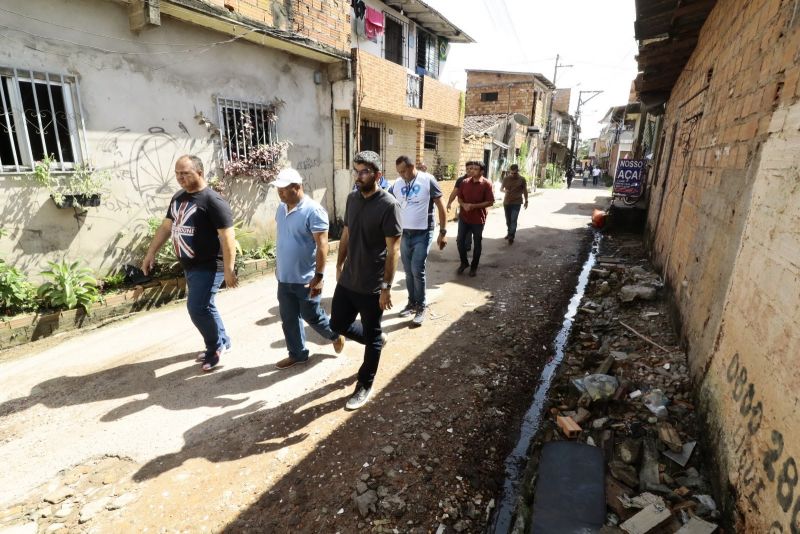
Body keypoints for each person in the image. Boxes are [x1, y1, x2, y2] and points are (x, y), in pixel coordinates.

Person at [142, 155, 237, 372]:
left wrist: (229, 269)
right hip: (190, 266)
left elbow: (228, 237)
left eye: (185, 173)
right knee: (207, 305)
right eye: (177, 173)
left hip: (210, 265)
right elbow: (166, 227)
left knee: (197, 308)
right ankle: (223, 340)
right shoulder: (178, 198)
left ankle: (214, 348)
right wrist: (150, 253)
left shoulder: (213, 201)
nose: (180, 178)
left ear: (200, 173)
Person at [331, 150, 402, 410]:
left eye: (364, 172)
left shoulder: (388, 204)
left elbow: (393, 248)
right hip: (349, 278)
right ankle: (377, 340)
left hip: (372, 285)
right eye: (356, 171)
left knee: (370, 334)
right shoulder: (352, 198)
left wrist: (386, 287)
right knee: (337, 323)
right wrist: (338, 263)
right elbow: (347, 232)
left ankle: (364, 384)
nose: (358, 176)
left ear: (377, 175)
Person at [271, 168, 346, 370]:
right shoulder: (281, 208)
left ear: (297, 187)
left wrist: (319, 276)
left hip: (307, 277)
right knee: (288, 318)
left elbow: (322, 245)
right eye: (278, 190)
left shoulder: (314, 210)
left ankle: (335, 334)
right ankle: (297, 354)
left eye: (284, 189)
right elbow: (284, 238)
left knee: (311, 315)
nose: (280, 193)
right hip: (285, 277)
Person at [390, 156, 447, 326]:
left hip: (423, 232)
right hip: (405, 233)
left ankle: (421, 306)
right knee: (408, 271)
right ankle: (412, 302)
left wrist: (443, 232)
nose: (401, 175)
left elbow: (441, 206)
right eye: (398, 172)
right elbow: (387, 201)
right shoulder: (398, 184)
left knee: (417, 269)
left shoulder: (428, 180)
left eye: (403, 171)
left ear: (412, 167)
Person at [456, 160, 494, 277]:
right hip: (464, 217)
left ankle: (474, 267)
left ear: (482, 171)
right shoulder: (464, 182)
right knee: (460, 241)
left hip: (478, 219)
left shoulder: (487, 184)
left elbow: (490, 202)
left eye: (475, 169)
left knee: (477, 243)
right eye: (471, 168)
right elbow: (460, 198)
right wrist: (463, 205)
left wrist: (473, 206)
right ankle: (464, 263)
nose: (472, 170)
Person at [500, 164, 528, 245]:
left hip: (517, 202)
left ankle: (511, 236)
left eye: (514, 173)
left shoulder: (522, 179)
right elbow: (501, 189)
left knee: (513, 219)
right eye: (511, 173)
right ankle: (509, 233)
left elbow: (525, 191)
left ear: (518, 171)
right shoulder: (506, 178)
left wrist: (526, 201)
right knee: (508, 220)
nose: (512, 175)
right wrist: (505, 191)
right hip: (507, 202)